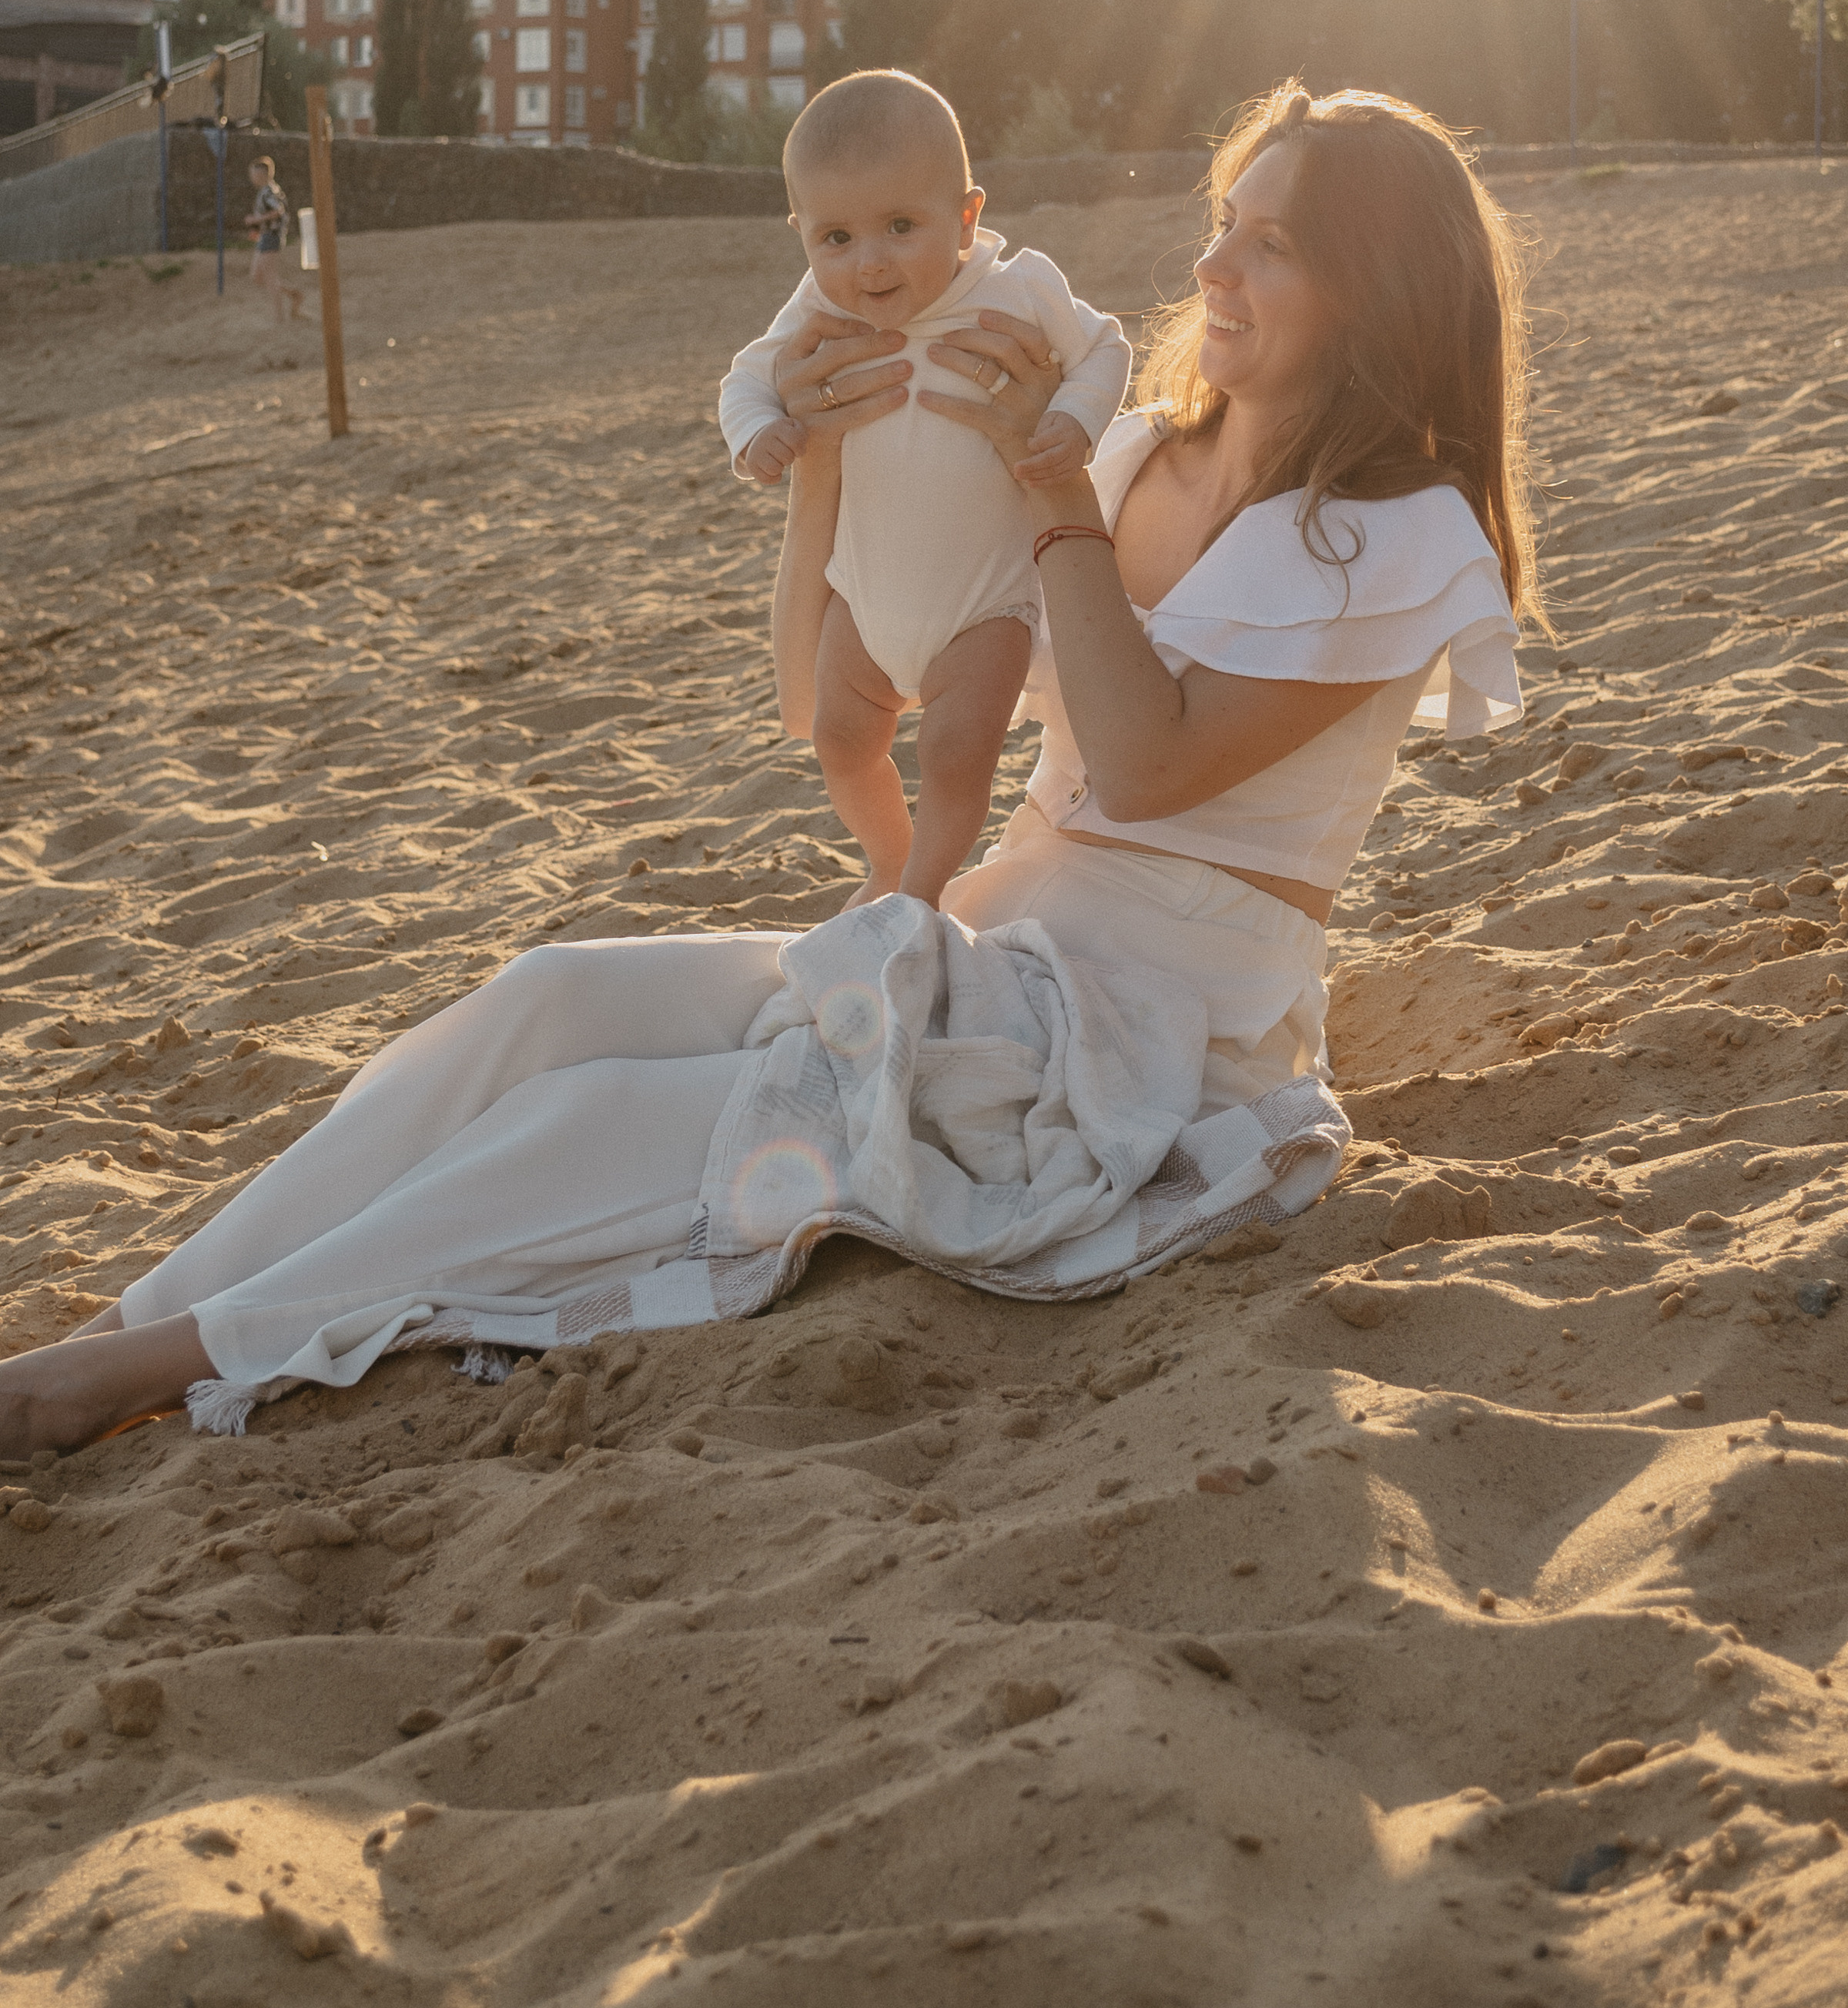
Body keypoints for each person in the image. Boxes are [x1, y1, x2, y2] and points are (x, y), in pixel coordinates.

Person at [0, 79, 1535, 1462]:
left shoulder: (1389, 533)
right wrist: (815, 468)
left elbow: (1140, 768)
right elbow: (817, 693)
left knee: (604, 1122)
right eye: (1223, 225)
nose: (1211, 271)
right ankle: (127, 1325)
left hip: (1150, 1029)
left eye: (1267, 245)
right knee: (554, 1000)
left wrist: (1046, 477)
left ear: (1375, 284)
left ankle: (154, 1370)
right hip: (994, 932)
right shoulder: (1138, 454)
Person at [720, 71, 1131, 905]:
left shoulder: (1018, 290)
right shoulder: (815, 312)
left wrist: (1077, 420)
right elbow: (745, 378)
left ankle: (926, 886)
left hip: (982, 608)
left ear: (967, 216)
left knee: (957, 751)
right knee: (840, 740)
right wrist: (758, 435)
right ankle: (887, 857)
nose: (868, 263)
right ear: (800, 235)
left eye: (901, 227)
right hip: (862, 599)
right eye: (834, 238)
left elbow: (1106, 348)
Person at [245, 157, 304, 323]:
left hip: (271, 237)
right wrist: (257, 228)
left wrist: (255, 221)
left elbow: (278, 211)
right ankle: (294, 294)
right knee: (257, 276)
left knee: (270, 277)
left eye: (254, 174)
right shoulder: (267, 190)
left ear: (261, 174)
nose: (252, 178)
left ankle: (280, 317)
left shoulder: (269, 192)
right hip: (266, 236)